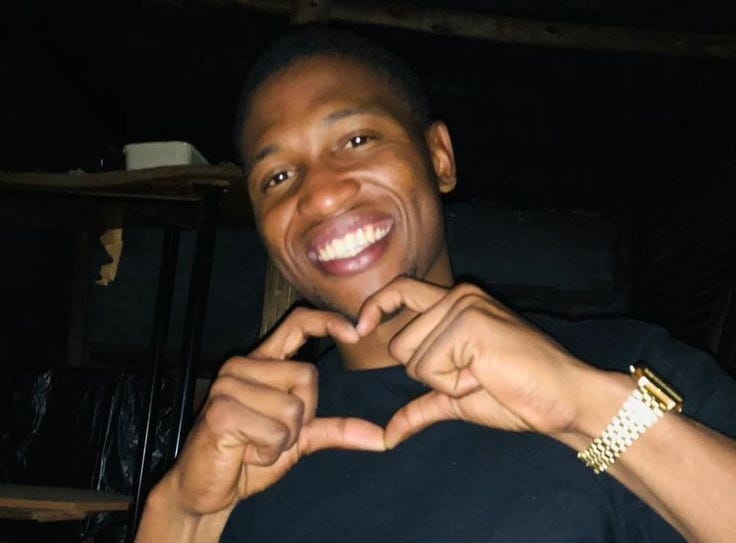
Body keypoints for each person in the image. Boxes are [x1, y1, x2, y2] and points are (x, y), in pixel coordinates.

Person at [135, 27, 736, 542]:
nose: (319, 194)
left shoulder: (631, 369)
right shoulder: (252, 446)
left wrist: (582, 409)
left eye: (356, 140)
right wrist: (183, 512)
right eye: (279, 176)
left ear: (439, 158)